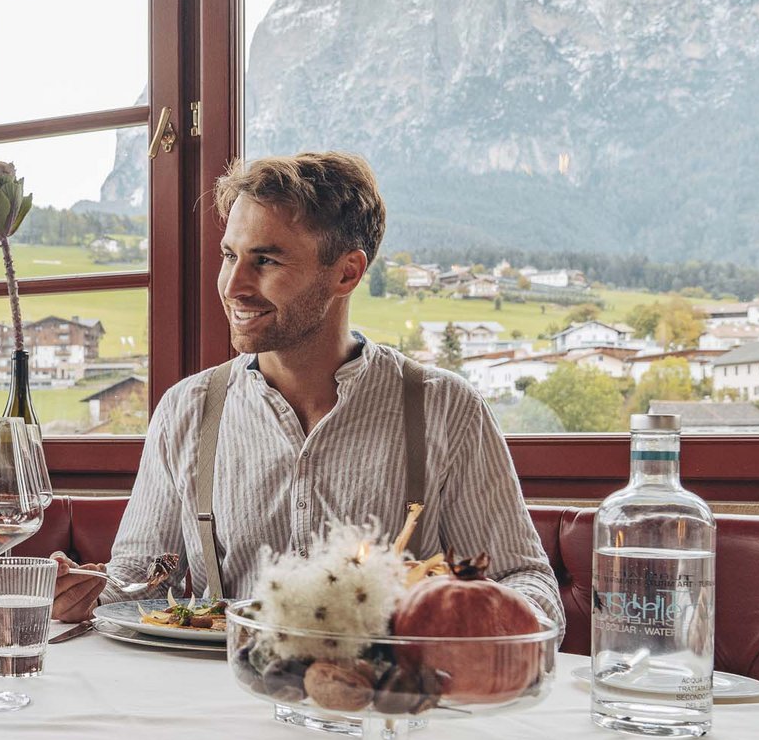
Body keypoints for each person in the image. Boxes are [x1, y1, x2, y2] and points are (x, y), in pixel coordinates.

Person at [51, 151, 562, 627]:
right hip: (218, 705)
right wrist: (89, 589)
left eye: (266, 261)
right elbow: (134, 583)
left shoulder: (446, 407)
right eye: (230, 256)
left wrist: (461, 616)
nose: (233, 286)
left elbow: (530, 584)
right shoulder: (186, 409)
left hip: (376, 711)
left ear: (347, 272)